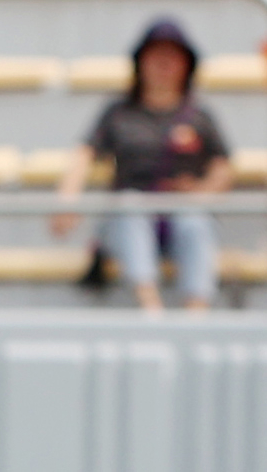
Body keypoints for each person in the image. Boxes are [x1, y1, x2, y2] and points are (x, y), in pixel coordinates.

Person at [51, 18, 232, 311]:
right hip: (132, 213)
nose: (164, 64)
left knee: (195, 222)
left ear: (187, 65)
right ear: (140, 63)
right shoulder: (119, 112)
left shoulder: (199, 116)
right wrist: (67, 200)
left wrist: (201, 191)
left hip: (180, 214)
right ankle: (151, 310)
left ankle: (196, 315)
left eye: (173, 56)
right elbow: (84, 154)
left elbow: (223, 167)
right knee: (130, 206)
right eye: (156, 56)